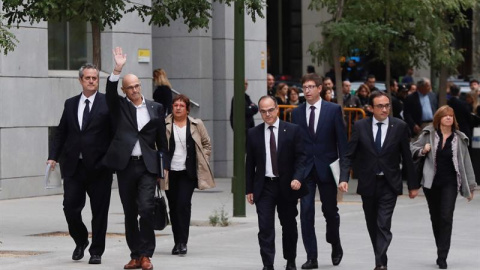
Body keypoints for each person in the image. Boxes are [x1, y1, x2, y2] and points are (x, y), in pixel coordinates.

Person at [102, 47, 169, 270]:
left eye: (136, 86)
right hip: (126, 167)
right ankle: (135, 255)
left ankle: (147, 255)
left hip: (148, 167)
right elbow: (110, 93)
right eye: (129, 88)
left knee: (146, 208)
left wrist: (164, 165)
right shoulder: (119, 107)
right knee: (130, 212)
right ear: (125, 90)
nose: (134, 90)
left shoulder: (156, 108)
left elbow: (162, 140)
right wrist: (117, 69)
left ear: (141, 85)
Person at [340, 91, 420, 270]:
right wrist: (344, 178)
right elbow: (349, 155)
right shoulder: (360, 126)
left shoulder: (399, 126)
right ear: (370, 108)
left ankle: (380, 263)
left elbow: (407, 157)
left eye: (387, 106)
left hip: (389, 183)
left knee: (383, 223)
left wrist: (413, 185)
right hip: (368, 183)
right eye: (380, 106)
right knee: (372, 224)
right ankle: (381, 258)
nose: (384, 109)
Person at [47, 63, 113, 265]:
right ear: (80, 80)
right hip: (74, 166)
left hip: (99, 167)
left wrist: (110, 160)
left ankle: (96, 251)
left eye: (95, 78)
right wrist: (53, 156)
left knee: (99, 212)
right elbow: (61, 132)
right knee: (70, 208)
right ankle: (81, 239)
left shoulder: (107, 103)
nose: (92, 81)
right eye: (88, 78)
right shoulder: (70, 104)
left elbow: (114, 134)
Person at [291, 73, 348, 269]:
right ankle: (311, 257)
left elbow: (342, 144)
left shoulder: (333, 110)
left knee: (330, 212)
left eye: (310, 87)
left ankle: (335, 243)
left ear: (319, 88)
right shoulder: (296, 113)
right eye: (304, 87)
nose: (306, 90)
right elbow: (295, 145)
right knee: (306, 213)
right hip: (305, 170)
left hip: (327, 168)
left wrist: (344, 174)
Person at [411, 105, 476, 269]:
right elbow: (413, 147)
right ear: (439, 118)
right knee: (436, 218)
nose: (449, 118)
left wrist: (471, 186)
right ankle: (441, 247)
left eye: (451, 116)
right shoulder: (428, 134)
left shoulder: (459, 138)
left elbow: (466, 163)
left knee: (446, 217)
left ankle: (442, 256)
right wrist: (423, 150)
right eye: (445, 115)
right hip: (431, 183)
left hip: (451, 183)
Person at [246, 96, 307, 270]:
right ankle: (268, 264)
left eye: (270, 110)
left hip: (287, 185)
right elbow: (249, 163)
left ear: (277, 109)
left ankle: (290, 260)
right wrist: (249, 189)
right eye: (263, 111)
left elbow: (301, 158)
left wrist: (298, 178)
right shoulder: (253, 133)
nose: (267, 114)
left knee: (288, 225)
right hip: (264, 186)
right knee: (265, 227)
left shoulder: (293, 130)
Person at [165, 94, 215, 256]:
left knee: (183, 205)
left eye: (181, 105)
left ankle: (182, 242)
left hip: (188, 172)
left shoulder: (196, 124)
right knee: (173, 207)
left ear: (187, 109)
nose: (178, 108)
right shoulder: (165, 123)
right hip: (169, 172)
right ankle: (176, 241)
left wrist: (202, 159)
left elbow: (207, 144)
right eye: (175, 105)